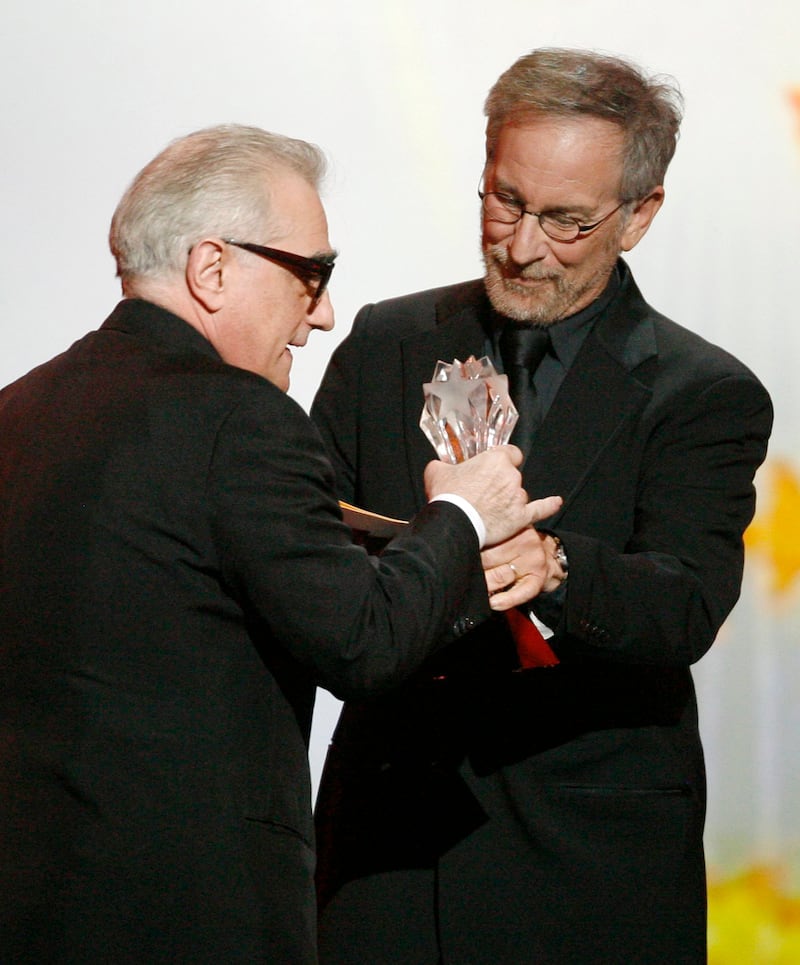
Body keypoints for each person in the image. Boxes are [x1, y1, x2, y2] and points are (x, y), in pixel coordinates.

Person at [0, 124, 561, 964]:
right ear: (212, 268)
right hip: (189, 908)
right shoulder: (242, 418)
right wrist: (464, 517)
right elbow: (363, 643)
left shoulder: (19, 411)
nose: (326, 312)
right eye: (312, 274)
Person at [311, 49, 774, 964]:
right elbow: (314, 531)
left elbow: (684, 602)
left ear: (639, 215)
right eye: (504, 201)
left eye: (566, 221)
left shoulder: (705, 392)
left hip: (587, 862)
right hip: (386, 848)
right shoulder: (387, 342)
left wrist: (555, 570)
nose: (521, 246)